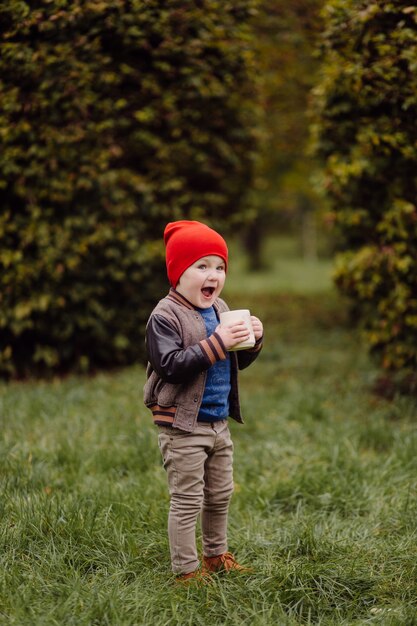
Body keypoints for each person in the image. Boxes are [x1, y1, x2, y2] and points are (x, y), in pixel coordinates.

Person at [143, 220, 263, 583]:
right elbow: (171, 366)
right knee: (187, 499)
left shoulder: (219, 308)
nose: (214, 275)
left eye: (220, 267)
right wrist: (218, 342)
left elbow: (235, 360)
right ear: (179, 272)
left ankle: (215, 555)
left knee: (220, 493)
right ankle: (186, 570)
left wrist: (252, 340)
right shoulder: (164, 316)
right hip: (182, 425)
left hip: (217, 422)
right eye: (202, 266)